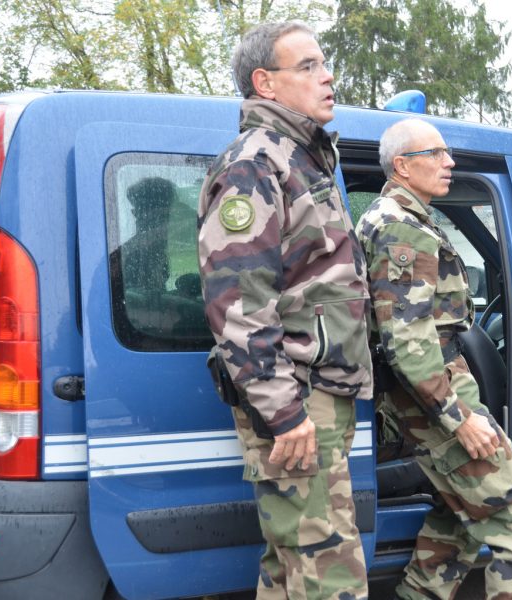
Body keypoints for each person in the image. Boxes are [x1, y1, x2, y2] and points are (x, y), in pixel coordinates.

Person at [197, 22, 372, 599]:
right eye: (309, 66)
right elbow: (238, 303)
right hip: (297, 400)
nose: (328, 77)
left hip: (313, 396)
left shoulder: (303, 158)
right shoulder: (256, 163)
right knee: (330, 576)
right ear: (264, 83)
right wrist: (285, 412)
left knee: (290, 566)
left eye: (326, 64)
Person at [355, 118, 512, 600]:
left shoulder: (388, 217)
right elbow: (408, 340)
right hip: (437, 399)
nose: (450, 162)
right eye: (437, 153)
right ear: (403, 166)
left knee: (460, 516)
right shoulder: (401, 229)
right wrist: (460, 418)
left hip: (428, 395)